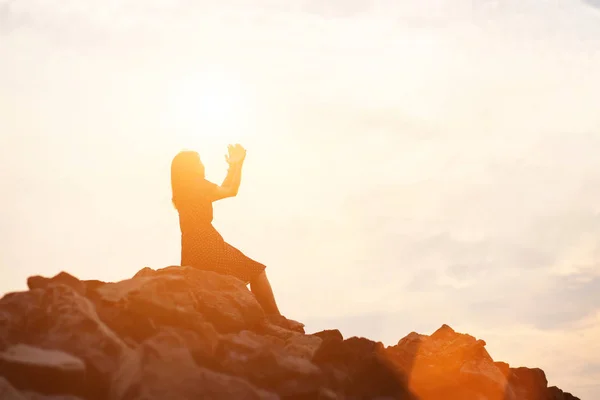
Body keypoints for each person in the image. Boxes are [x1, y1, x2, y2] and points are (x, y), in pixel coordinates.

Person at [170, 144, 304, 332]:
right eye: (198, 161)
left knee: (226, 287)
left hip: (191, 247)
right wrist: (237, 164)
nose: (202, 164)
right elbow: (231, 189)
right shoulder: (198, 185)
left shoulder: (183, 191)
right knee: (256, 271)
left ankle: (263, 323)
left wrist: (232, 167)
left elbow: (224, 188)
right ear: (190, 167)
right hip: (209, 243)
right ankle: (275, 319)